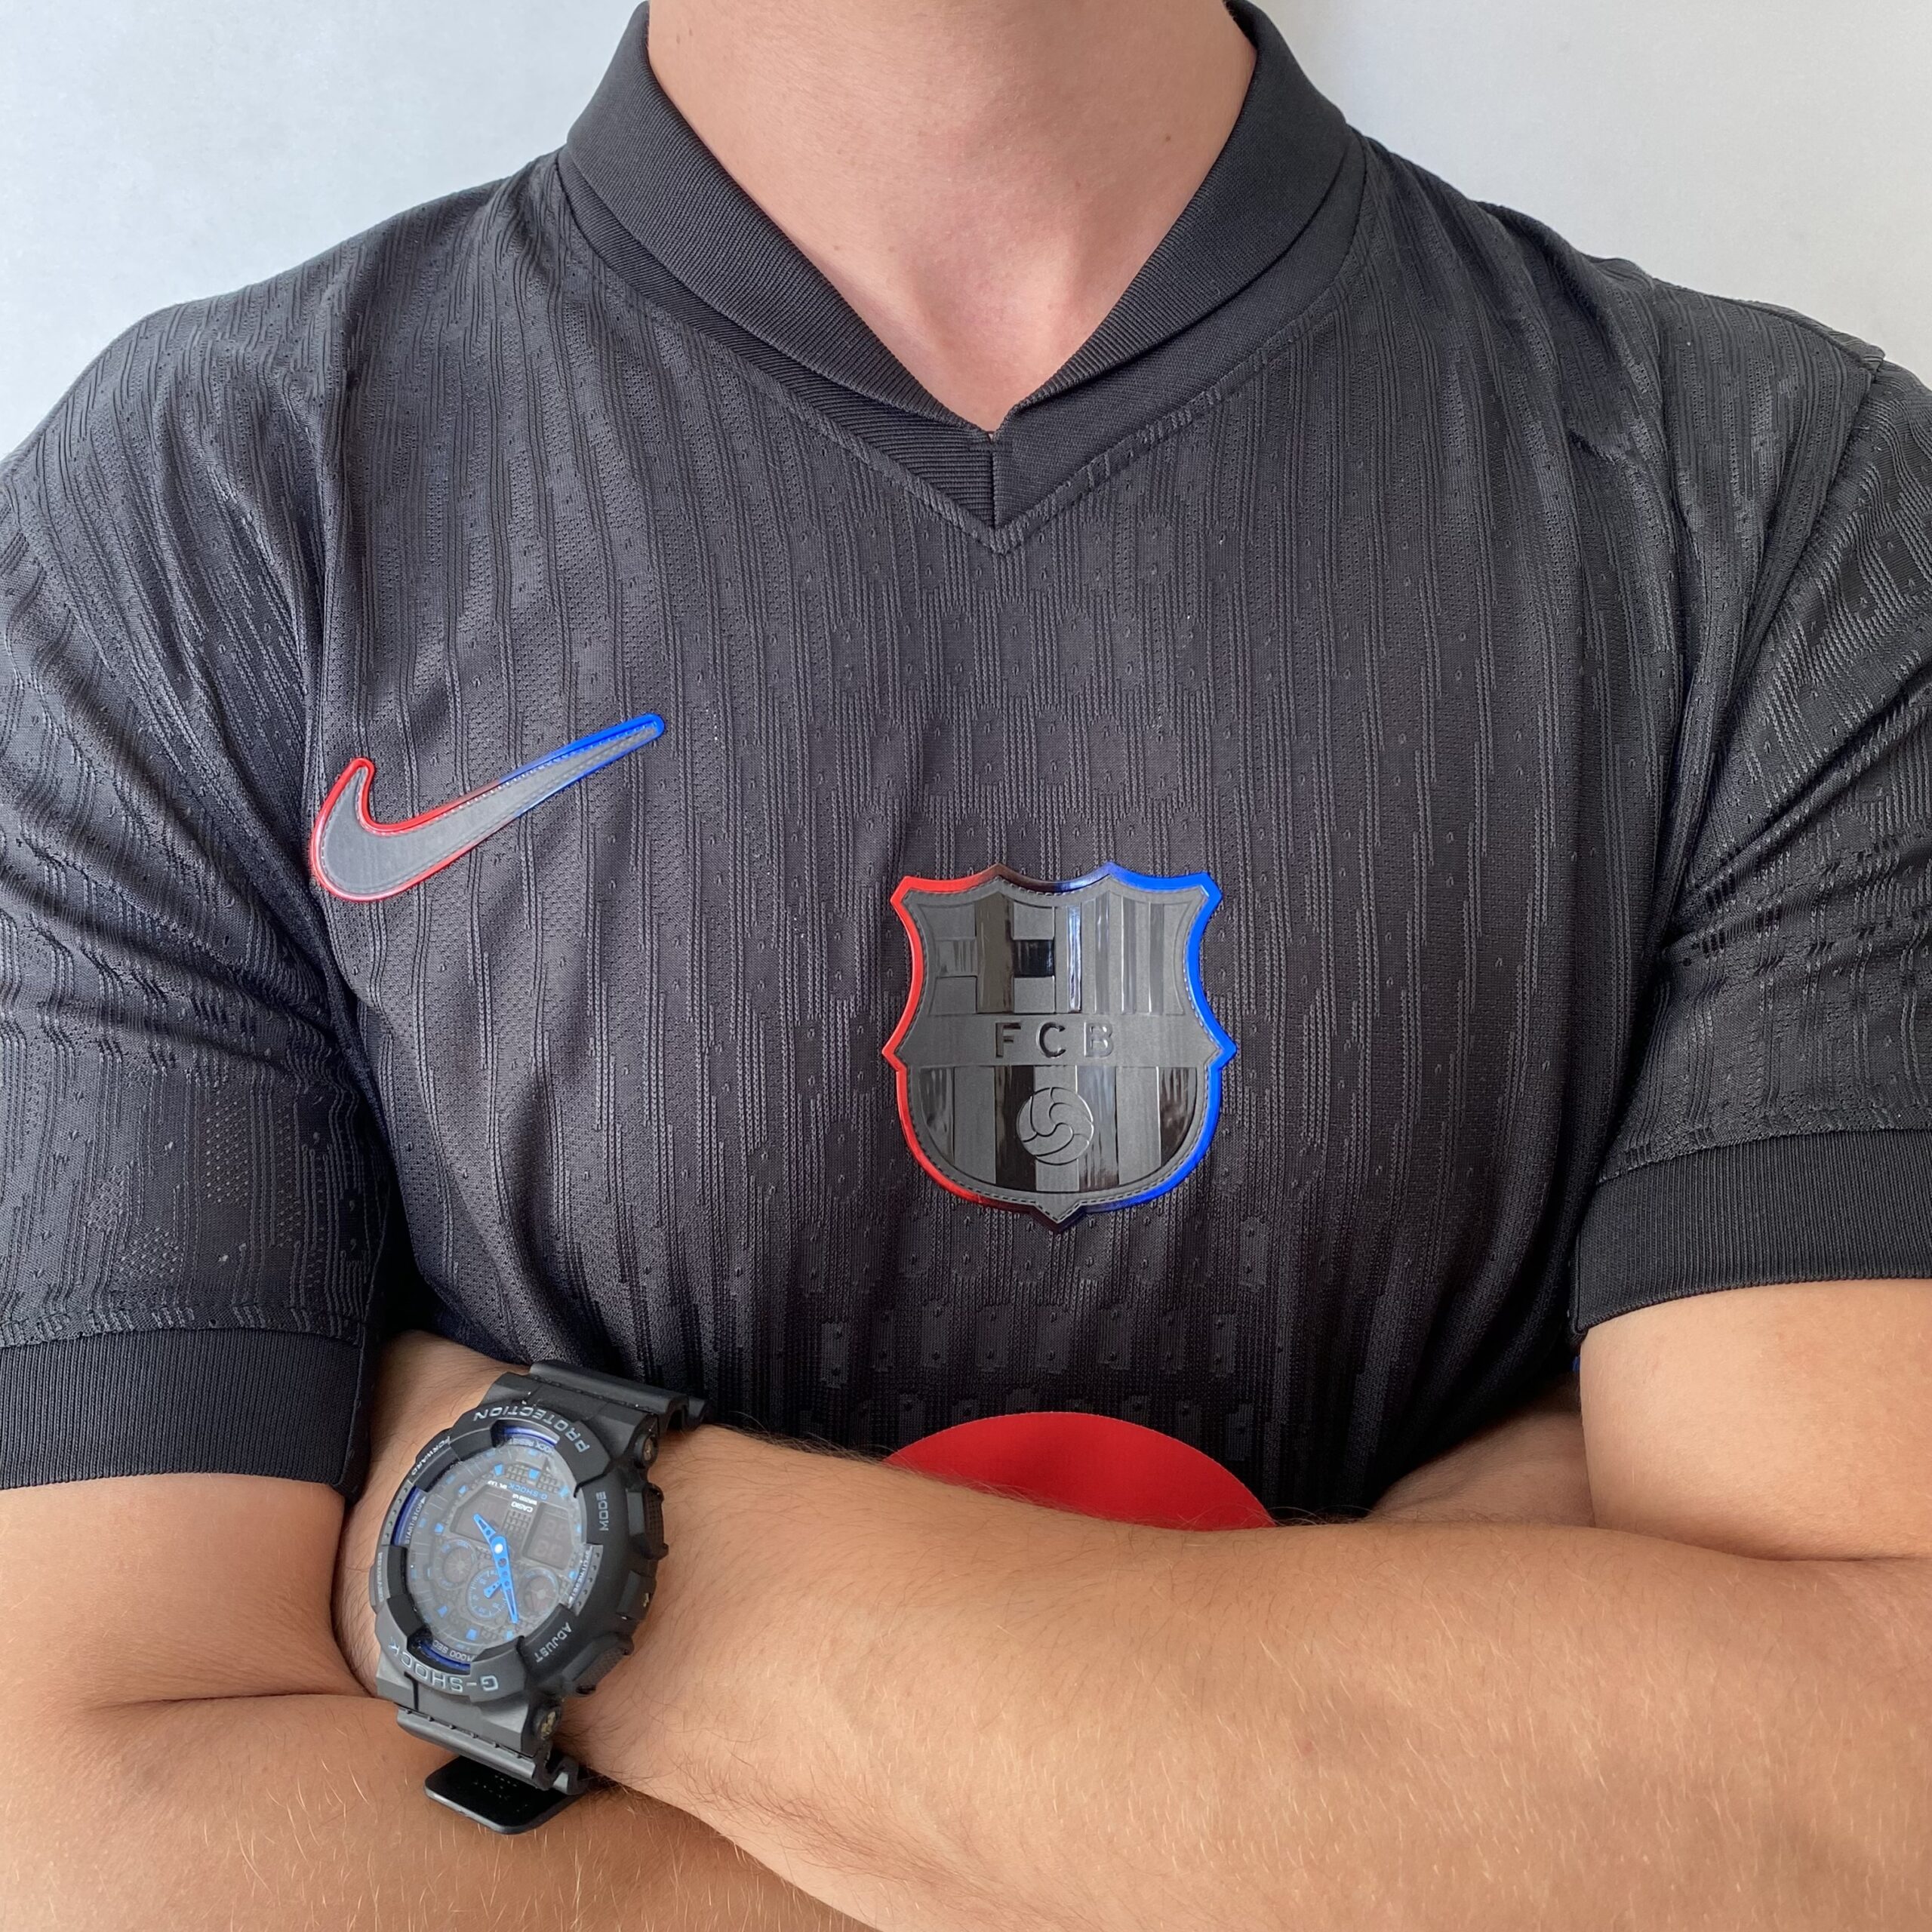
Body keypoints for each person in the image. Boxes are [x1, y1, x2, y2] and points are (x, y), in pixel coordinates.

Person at [2, 0, 1928, 1921]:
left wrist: (525, 1518)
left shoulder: (1780, 504)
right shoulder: (202, 523)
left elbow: (1860, 1791)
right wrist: (1416, 1800)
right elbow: (96, 1823)